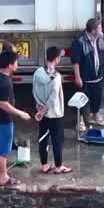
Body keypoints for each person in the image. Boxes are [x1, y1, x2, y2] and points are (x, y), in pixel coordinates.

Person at [0, 50, 33, 187]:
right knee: (4, 150)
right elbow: (4, 105)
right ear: (10, 65)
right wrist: (21, 113)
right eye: (16, 62)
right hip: (4, 120)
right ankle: (4, 177)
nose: (17, 64)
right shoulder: (4, 83)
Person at [32, 46, 71, 175]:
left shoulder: (38, 73)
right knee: (57, 140)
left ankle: (44, 165)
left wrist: (39, 108)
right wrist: (44, 111)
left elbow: (34, 91)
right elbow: (53, 98)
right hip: (54, 113)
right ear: (56, 59)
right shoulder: (57, 77)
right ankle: (58, 166)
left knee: (43, 138)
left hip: (41, 112)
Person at [71, 18, 104, 131]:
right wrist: (78, 77)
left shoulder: (100, 39)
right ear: (93, 30)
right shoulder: (80, 42)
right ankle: (80, 120)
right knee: (82, 100)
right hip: (85, 78)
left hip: (98, 76)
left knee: (97, 97)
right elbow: (76, 61)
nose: (102, 30)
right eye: (99, 28)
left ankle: (95, 115)